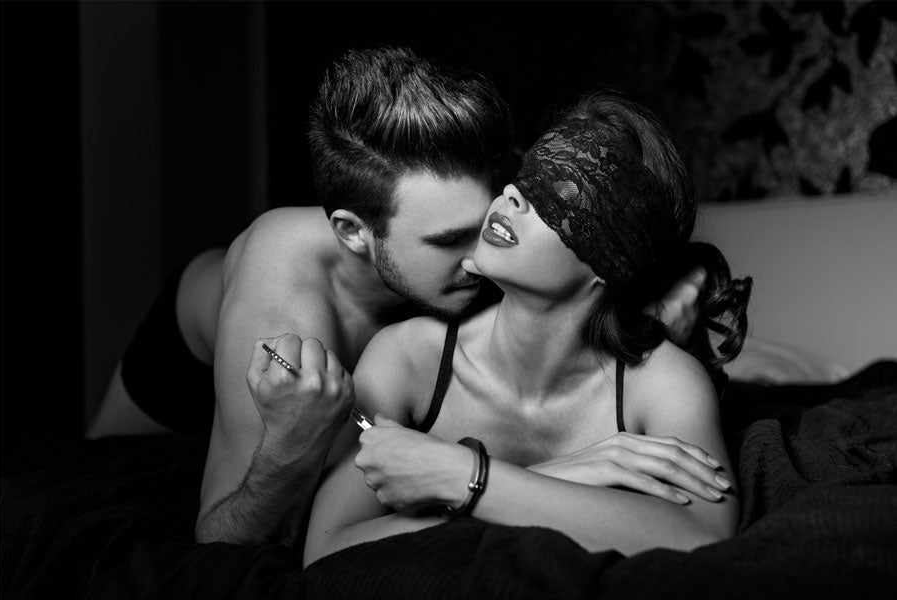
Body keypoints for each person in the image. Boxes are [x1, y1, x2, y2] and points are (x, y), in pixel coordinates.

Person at [85, 47, 709, 546]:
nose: (479, 256)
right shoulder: (286, 294)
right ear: (355, 233)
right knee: (101, 474)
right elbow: (228, 537)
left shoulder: (489, 194)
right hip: (183, 361)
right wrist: (291, 446)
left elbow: (602, 228)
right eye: (448, 241)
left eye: (487, 223)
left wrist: (661, 286)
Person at [300, 89, 752, 567]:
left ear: (611, 260)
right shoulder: (409, 358)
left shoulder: (663, 382)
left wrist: (461, 477)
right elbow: (323, 550)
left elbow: (705, 534)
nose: (511, 195)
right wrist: (554, 476)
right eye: (525, 179)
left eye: (556, 197)